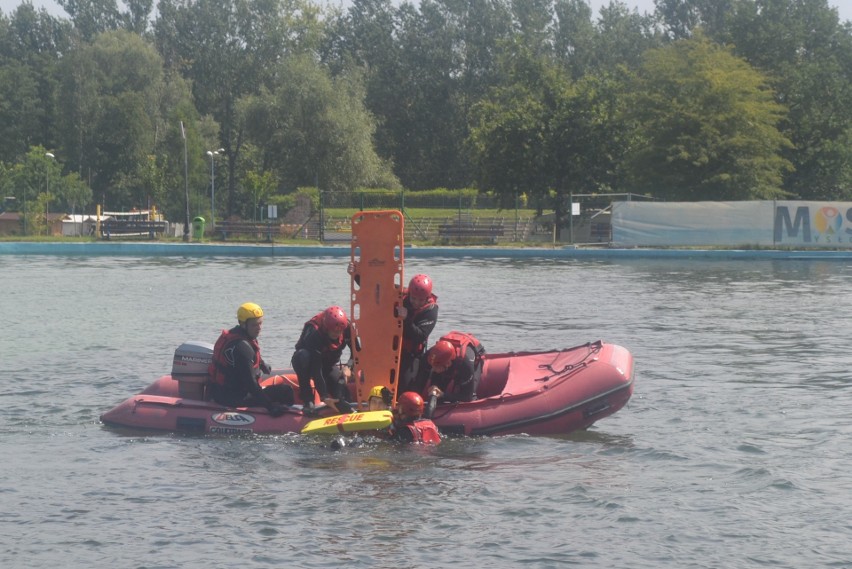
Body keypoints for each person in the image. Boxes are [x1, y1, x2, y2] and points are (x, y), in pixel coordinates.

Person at [208, 302, 291, 416]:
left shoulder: (238, 335)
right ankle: (293, 418)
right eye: (254, 325)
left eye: (260, 324)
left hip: (221, 392)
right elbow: (251, 385)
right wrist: (270, 406)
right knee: (285, 391)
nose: (259, 328)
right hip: (234, 398)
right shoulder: (242, 347)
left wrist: (261, 363)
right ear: (243, 324)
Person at [292, 305, 355, 416]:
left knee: (344, 397)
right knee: (303, 356)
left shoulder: (347, 328)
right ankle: (308, 401)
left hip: (329, 363)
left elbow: (357, 352)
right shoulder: (314, 333)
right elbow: (317, 369)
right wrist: (324, 397)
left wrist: (348, 367)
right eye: (334, 331)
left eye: (340, 331)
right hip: (309, 362)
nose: (337, 334)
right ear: (326, 328)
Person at [397, 274, 439, 393]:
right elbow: (377, 288)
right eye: (413, 298)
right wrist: (356, 275)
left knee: (405, 388)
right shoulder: (402, 295)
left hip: (412, 355)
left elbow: (420, 336)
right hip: (393, 350)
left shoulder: (431, 310)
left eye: (421, 300)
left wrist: (406, 320)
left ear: (427, 297)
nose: (416, 302)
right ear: (409, 294)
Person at [422, 331, 486, 403]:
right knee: (438, 391)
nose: (433, 369)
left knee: (469, 396)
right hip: (447, 361)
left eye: (436, 366)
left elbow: (467, 397)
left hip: (473, 357)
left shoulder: (466, 364)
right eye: (432, 366)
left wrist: (443, 395)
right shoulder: (430, 355)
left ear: (448, 364)